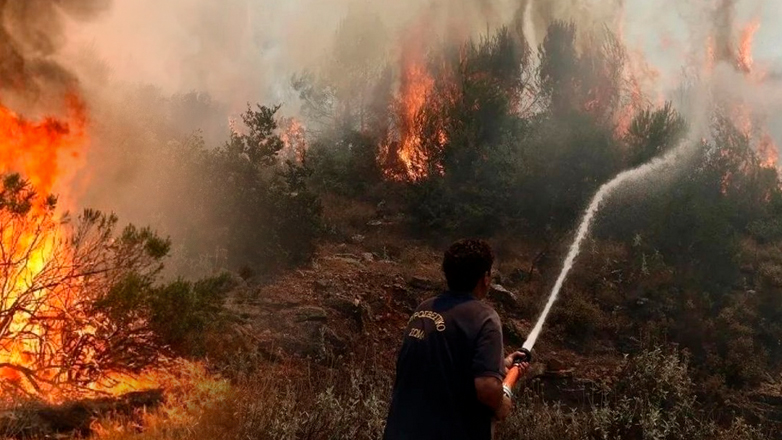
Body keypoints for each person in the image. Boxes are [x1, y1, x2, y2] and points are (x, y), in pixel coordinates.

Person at [383, 239, 529, 440]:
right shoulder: (485, 317)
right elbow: (487, 389)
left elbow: (442, 363)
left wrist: (499, 366)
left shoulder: (424, 310)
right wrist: (502, 402)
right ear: (485, 278)